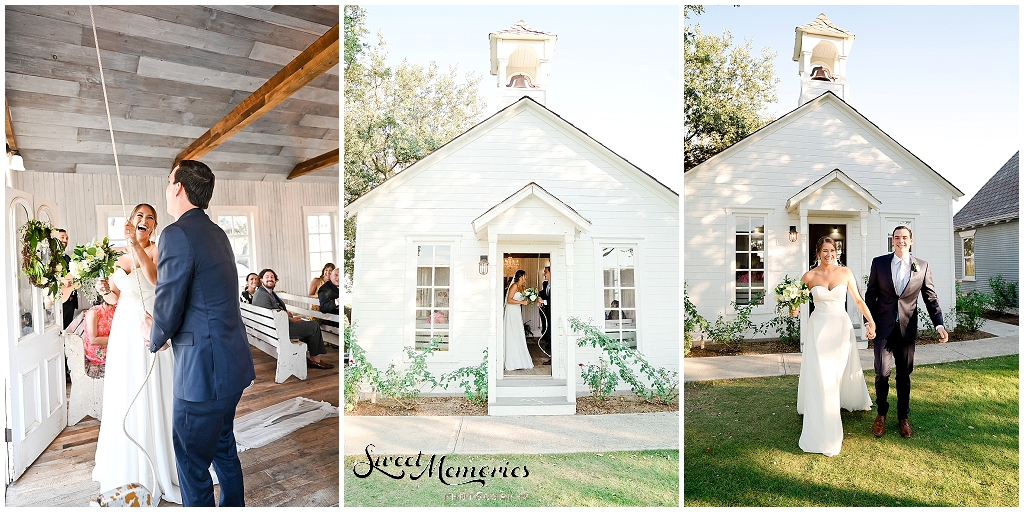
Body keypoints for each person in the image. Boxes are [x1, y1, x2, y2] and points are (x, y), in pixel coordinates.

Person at [146, 160, 257, 506]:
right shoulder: (218, 232)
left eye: (168, 181)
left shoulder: (175, 233)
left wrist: (155, 335)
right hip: (233, 365)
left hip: (203, 374)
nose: (167, 188)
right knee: (223, 448)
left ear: (178, 187)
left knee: (192, 463)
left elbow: (169, 298)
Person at [93, 203, 181, 504]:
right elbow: (117, 296)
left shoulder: (157, 250)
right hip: (123, 331)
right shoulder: (117, 257)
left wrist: (135, 244)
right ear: (130, 220)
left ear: (153, 227)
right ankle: (125, 460)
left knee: (153, 387)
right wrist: (104, 288)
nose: (144, 220)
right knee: (125, 389)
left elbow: (155, 279)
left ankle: (161, 461)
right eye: (139, 216)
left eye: (150, 218)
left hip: (148, 325)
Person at [793, 236, 875, 457]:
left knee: (837, 373)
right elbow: (796, 302)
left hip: (840, 328)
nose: (829, 254)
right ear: (818, 252)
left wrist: (870, 320)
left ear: (837, 252)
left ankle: (842, 400)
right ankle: (823, 419)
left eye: (832, 250)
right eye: (824, 251)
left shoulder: (845, 273)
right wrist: (792, 308)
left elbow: (858, 300)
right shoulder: (809, 276)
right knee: (822, 374)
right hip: (818, 329)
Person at [865, 226, 946, 439]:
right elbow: (870, 295)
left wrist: (939, 324)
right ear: (892, 241)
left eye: (904, 237)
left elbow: (930, 297)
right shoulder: (879, 263)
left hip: (906, 329)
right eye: (897, 237)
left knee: (904, 375)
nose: (900, 240)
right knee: (882, 373)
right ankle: (881, 413)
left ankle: (903, 417)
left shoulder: (922, 266)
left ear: (911, 240)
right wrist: (868, 322)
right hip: (882, 328)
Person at [252, 268, 335, 369]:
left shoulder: (268, 292)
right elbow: (270, 317)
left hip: (275, 328)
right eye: (267, 277)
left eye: (272, 277)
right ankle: (315, 360)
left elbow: (274, 309)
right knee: (314, 326)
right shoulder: (261, 295)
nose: (270, 279)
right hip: (278, 330)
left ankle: (302, 356)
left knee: (306, 323)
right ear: (261, 280)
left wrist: (285, 312)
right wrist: (290, 319)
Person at [504, 270, 534, 371]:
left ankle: (519, 359)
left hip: (517, 311)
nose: (526, 277)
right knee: (512, 333)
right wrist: (521, 302)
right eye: (525, 275)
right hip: (511, 311)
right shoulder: (514, 286)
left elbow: (524, 301)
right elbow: (509, 300)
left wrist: (531, 298)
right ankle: (512, 361)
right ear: (521, 276)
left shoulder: (522, 287)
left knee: (518, 333)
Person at [83, 293, 116, 378]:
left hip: (109, 345)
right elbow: (93, 340)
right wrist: (117, 340)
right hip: (97, 350)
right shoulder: (94, 312)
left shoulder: (116, 310)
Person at [58, 228, 80, 330]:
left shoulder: (68, 258)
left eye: (67, 238)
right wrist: (62, 281)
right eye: (62, 237)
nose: (65, 240)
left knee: (68, 330)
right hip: (60, 301)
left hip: (71, 301)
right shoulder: (50, 258)